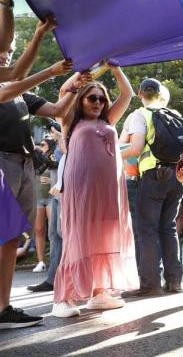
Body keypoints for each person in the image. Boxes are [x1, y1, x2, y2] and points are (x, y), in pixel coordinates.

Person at [0, 6, 76, 327]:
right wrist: (50, 72)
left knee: (12, 236)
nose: (6, 56)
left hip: (24, 164)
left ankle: (3, 308)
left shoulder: (23, 94)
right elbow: (7, 88)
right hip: (1, 163)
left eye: (10, 52)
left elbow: (58, 108)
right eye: (3, 51)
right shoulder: (8, 88)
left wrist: (75, 85)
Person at [52, 68, 139, 317]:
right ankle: (63, 298)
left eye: (102, 99)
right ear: (81, 100)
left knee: (105, 235)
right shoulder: (70, 120)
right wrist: (84, 73)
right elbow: (63, 91)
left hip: (110, 190)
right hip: (82, 189)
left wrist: (115, 68)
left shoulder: (108, 120)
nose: (98, 103)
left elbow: (128, 93)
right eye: (93, 98)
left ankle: (99, 293)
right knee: (78, 237)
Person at [120, 78, 183, 295]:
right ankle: (174, 281)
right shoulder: (175, 115)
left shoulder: (140, 115)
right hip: (176, 178)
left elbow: (136, 148)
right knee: (168, 229)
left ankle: (150, 284)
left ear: (140, 95)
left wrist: (112, 153)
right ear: (160, 94)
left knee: (146, 230)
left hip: (153, 176)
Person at [31, 139, 57, 273]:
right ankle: (41, 262)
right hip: (37, 198)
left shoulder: (53, 158)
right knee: (39, 230)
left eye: (43, 144)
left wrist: (50, 180)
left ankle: (54, 260)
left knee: (53, 231)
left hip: (51, 198)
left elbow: (58, 175)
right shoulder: (36, 158)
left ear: (49, 146)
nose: (40, 146)